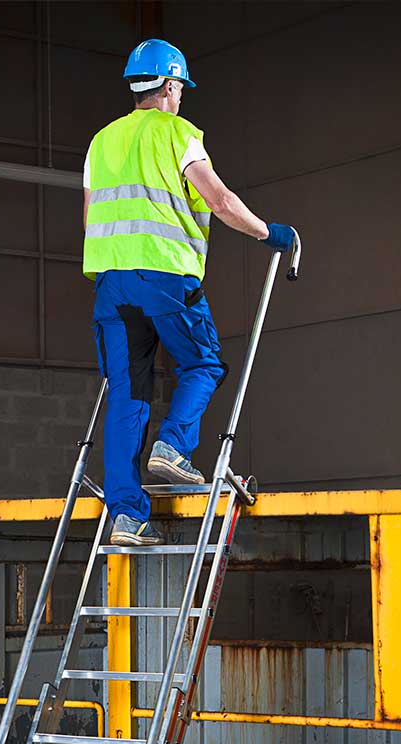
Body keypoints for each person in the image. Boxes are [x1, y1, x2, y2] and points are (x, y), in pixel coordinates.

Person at [82, 39, 294, 546]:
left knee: (128, 397)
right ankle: (173, 445)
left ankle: (127, 517)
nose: (181, 99)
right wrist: (268, 232)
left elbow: (91, 218)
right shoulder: (178, 135)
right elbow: (218, 199)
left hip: (112, 285)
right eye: (180, 90)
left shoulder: (100, 143)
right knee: (203, 364)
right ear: (170, 85)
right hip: (165, 276)